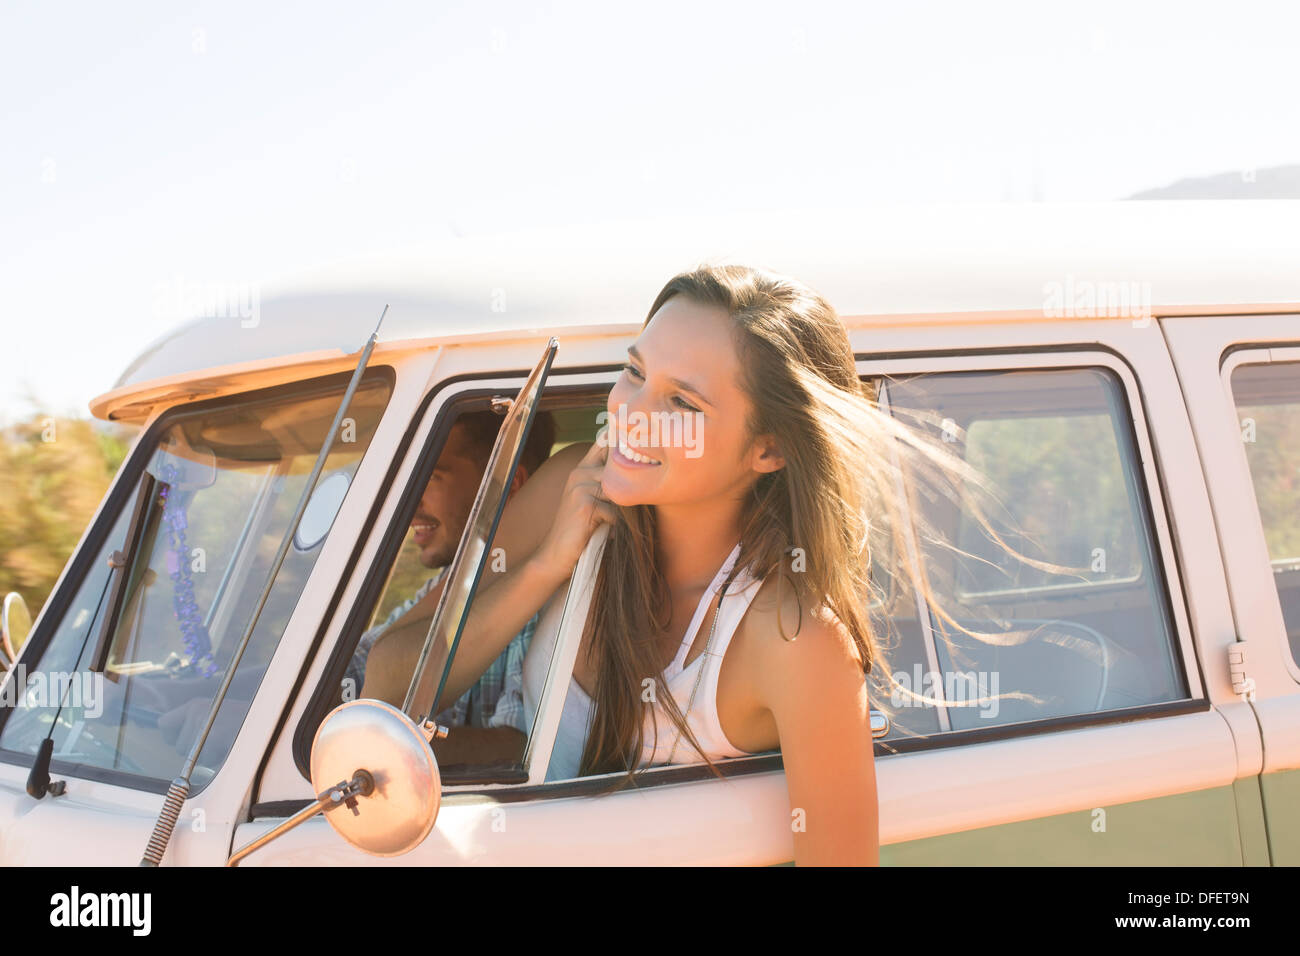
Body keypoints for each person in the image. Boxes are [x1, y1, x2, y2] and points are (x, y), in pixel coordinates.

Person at [365, 264, 1028, 864]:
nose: (630, 414)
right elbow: (387, 691)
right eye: (634, 371)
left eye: (681, 403)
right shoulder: (572, 484)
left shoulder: (795, 636)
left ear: (766, 449)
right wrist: (545, 566)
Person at [345, 408, 555, 767]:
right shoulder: (449, 587)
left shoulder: (547, 595)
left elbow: (522, 748)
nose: (412, 511)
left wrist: (372, 755)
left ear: (508, 485)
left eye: (431, 479)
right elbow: (359, 663)